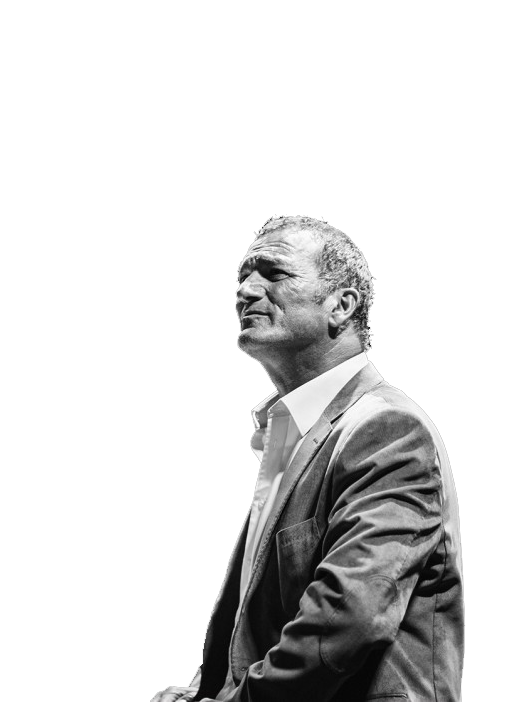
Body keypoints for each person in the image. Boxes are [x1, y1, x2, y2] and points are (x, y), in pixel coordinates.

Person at [150, 216, 463, 702]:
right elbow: (259, 623)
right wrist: (201, 690)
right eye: (242, 277)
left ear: (342, 305)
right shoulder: (287, 434)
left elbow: (345, 619)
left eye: (273, 273)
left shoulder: (387, 429)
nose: (246, 290)